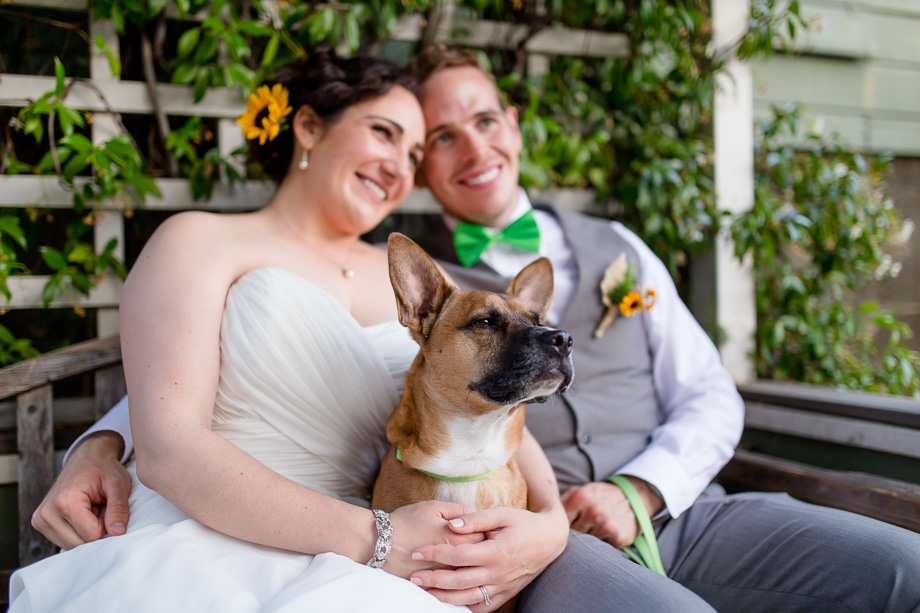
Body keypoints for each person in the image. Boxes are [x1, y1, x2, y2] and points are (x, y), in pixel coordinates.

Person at [30, 46, 920, 612]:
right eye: (420, 140)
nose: (440, 157)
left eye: (461, 131)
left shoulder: (587, 251)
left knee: (896, 568)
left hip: (651, 509)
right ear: (310, 128)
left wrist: (610, 501)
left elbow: (705, 400)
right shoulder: (430, 288)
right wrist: (97, 444)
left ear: (516, 127)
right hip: (418, 537)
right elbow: (193, 396)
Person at [11, 49, 570, 612]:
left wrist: (551, 524)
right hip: (212, 541)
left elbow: (492, 405)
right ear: (307, 125)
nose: (400, 166)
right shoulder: (199, 240)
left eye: (414, 154)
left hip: (374, 556)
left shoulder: (419, 280)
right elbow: (170, 437)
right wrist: (376, 540)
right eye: (383, 133)